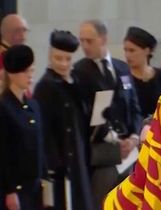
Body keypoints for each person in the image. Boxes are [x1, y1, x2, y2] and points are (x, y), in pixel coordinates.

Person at [73, 19, 142, 210]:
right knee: (103, 202)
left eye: (90, 41)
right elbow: (86, 116)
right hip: (103, 152)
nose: (85, 46)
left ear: (103, 39)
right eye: (82, 41)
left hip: (130, 151)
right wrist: (114, 140)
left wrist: (135, 136)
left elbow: (135, 107)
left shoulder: (121, 68)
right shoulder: (80, 71)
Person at [33, 30, 93, 210]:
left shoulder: (74, 81)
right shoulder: (45, 86)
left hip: (78, 157)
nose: (63, 64)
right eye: (58, 58)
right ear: (50, 56)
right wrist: (55, 163)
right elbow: (44, 131)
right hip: (60, 163)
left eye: (68, 59)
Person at [0, 45, 46, 210]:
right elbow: (4, 153)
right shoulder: (4, 107)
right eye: (25, 72)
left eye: (31, 71)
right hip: (16, 190)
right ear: (12, 74)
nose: (30, 76)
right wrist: (10, 190)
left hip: (34, 186)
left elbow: (39, 143)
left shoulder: (33, 106)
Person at [123, 26, 161, 118]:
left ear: (147, 51)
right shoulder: (124, 77)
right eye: (126, 50)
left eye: (132, 50)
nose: (127, 55)